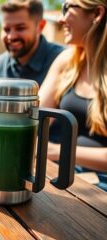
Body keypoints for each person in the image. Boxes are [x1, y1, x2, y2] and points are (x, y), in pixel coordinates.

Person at [39, 0, 107, 191]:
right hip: (67, 173)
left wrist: (55, 151)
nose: (61, 19)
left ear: (96, 14)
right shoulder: (67, 61)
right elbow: (36, 115)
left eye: (68, 8)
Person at [0, 0, 64, 86]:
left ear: (40, 27)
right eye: (6, 29)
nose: (11, 36)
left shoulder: (65, 61)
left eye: (20, 28)